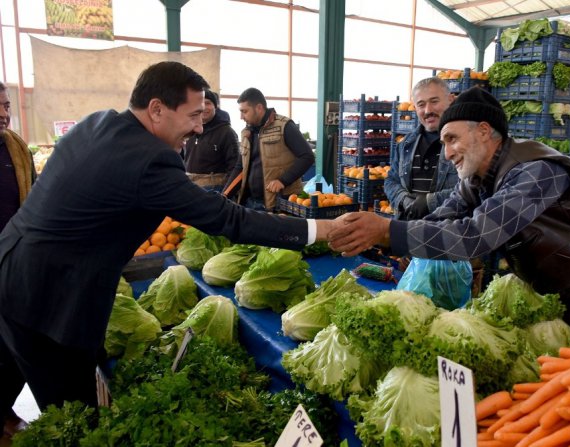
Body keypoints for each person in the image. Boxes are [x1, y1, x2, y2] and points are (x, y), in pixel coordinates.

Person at [0, 61, 340, 429]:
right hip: (51, 301)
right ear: (157, 109)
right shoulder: (150, 160)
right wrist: (317, 230)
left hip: (12, 268)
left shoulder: (97, 123)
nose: (199, 125)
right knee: (74, 422)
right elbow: (230, 220)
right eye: (193, 114)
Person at [329, 87, 570, 351]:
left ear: (483, 130)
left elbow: (474, 236)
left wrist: (389, 230)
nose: (446, 153)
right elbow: (442, 217)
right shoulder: (478, 180)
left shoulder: (535, 171)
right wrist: (387, 234)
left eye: (452, 139)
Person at [0, 81, 35, 439]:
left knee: (16, 346)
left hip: (14, 260)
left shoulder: (16, 148)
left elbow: (35, 200)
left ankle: (6, 411)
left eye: (7, 105)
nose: (4, 113)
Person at [223, 87, 315, 211]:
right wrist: (224, 195)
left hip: (279, 204)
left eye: (244, 111)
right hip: (250, 203)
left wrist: (283, 181)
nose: (241, 117)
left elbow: (307, 156)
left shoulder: (284, 126)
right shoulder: (247, 133)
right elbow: (241, 168)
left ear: (259, 108)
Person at [384, 77, 459, 220]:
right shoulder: (406, 144)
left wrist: (429, 202)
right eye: (421, 104)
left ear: (450, 100)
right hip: (407, 231)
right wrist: (404, 200)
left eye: (434, 101)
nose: (428, 110)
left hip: (446, 233)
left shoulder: (463, 142)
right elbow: (391, 181)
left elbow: (472, 187)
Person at [183, 89, 239, 192]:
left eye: (207, 103)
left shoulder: (227, 132)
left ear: (215, 106)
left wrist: (227, 194)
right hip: (190, 189)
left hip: (215, 191)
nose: (203, 107)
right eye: (200, 103)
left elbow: (235, 167)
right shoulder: (189, 130)